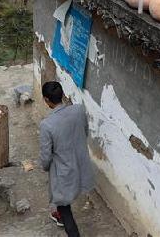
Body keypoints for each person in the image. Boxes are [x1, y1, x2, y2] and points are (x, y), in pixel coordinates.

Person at [39, 81, 95, 237]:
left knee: (64, 207)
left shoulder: (47, 125)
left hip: (63, 171)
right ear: (62, 94)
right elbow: (85, 133)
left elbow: (45, 157)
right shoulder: (79, 110)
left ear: (46, 100)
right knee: (68, 199)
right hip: (80, 162)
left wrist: (45, 166)